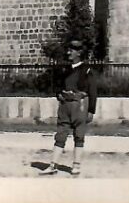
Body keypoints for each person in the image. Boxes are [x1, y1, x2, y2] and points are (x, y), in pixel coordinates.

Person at [39, 40, 98, 176]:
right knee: (60, 134)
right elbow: (58, 85)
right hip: (65, 105)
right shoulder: (65, 69)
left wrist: (91, 110)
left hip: (80, 105)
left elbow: (93, 91)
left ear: (79, 52)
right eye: (69, 50)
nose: (68, 53)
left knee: (79, 135)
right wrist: (59, 94)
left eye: (72, 50)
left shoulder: (87, 70)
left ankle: (76, 165)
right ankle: (53, 164)